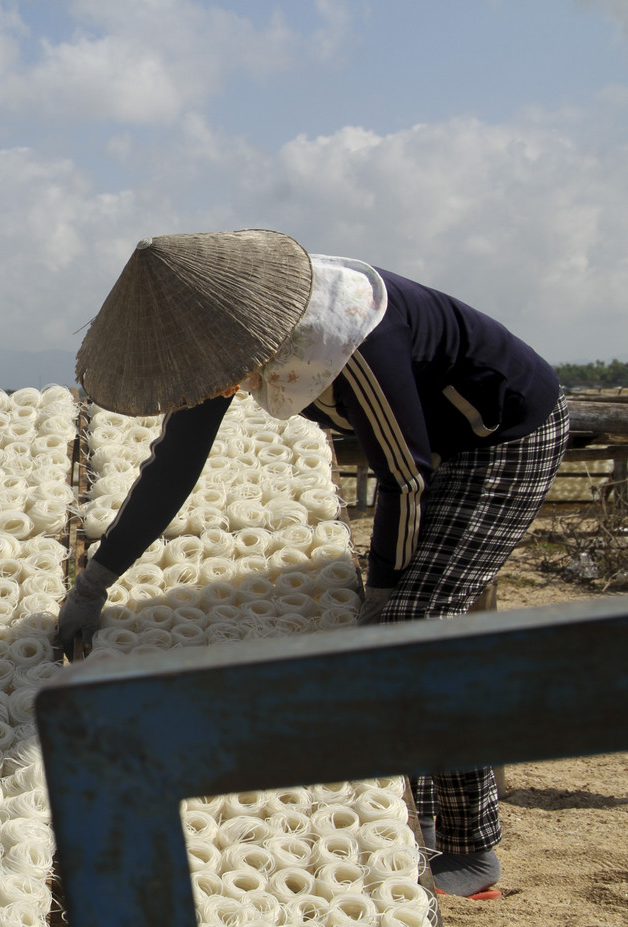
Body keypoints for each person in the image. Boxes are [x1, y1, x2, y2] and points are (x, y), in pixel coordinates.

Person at [60, 229, 568, 900]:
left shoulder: (353, 335)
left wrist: (385, 590)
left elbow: (406, 478)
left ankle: (473, 845)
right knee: (391, 635)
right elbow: (174, 467)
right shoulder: (227, 342)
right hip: (429, 446)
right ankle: (412, 824)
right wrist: (96, 580)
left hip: (500, 438)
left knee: (419, 627)